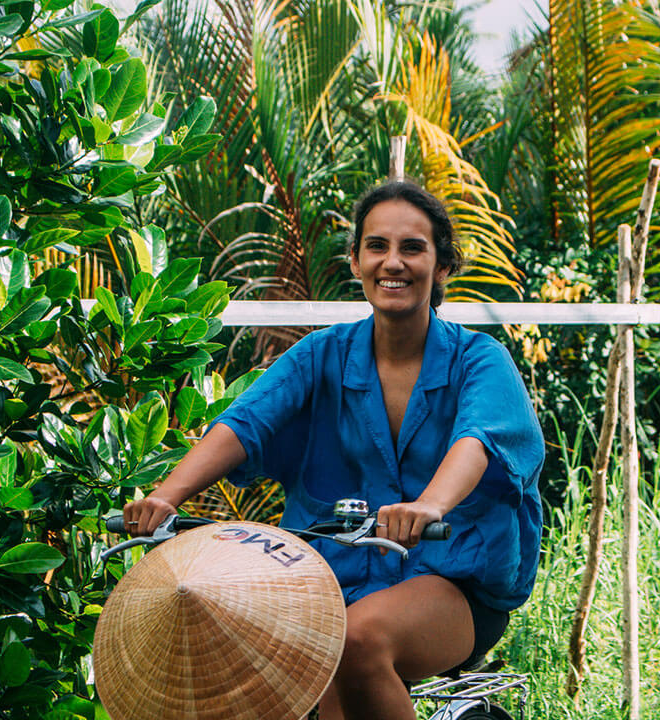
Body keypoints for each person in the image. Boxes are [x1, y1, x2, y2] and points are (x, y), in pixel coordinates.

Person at [121, 180, 544, 720]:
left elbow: (477, 440)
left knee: (359, 640)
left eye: (412, 248)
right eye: (377, 246)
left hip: (452, 582)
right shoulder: (320, 355)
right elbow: (246, 423)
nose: (393, 262)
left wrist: (430, 505)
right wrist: (165, 497)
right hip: (332, 584)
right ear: (356, 260)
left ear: (442, 268)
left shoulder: (479, 360)